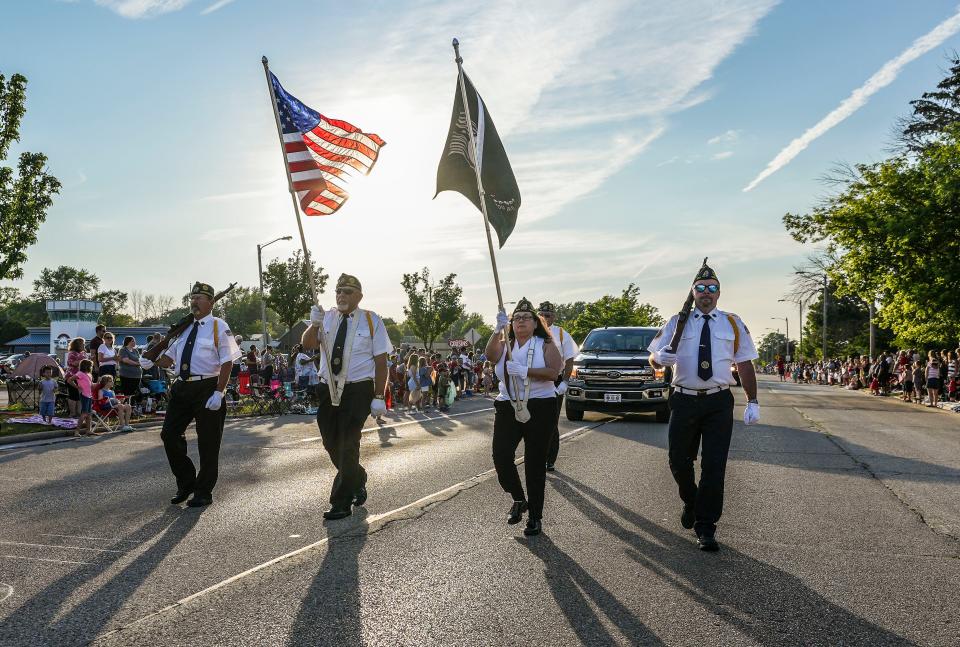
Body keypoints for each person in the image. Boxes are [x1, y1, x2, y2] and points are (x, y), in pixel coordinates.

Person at [648, 263, 759, 552]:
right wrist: (660, 359)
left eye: (711, 288)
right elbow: (653, 359)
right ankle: (690, 500)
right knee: (677, 460)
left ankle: (706, 526)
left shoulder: (732, 323)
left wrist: (753, 399)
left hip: (718, 400)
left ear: (719, 293)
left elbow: (744, 362)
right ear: (693, 292)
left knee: (714, 465)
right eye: (701, 288)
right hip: (683, 398)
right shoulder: (676, 321)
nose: (706, 293)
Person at [139, 282, 241, 507]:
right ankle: (186, 482)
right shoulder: (183, 329)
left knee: (208, 443)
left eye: (200, 297)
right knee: (169, 435)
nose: (194, 301)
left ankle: (203, 491)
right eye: (192, 297)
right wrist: (151, 360)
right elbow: (170, 358)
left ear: (211, 302)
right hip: (182, 387)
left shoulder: (218, 326)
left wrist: (219, 392)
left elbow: (227, 362)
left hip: (208, 386)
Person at [302, 273, 392, 520]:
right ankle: (357, 477)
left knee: (348, 443)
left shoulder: (371, 321)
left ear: (359, 296)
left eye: (348, 292)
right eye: (338, 291)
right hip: (328, 388)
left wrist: (378, 395)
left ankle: (341, 502)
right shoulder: (327, 317)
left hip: (357, 390)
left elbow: (381, 360)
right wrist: (314, 324)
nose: (341, 295)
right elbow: (308, 344)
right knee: (331, 442)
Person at [485, 298, 563, 537]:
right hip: (508, 404)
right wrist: (497, 329)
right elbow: (490, 356)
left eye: (526, 318)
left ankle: (536, 517)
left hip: (540, 406)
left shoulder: (545, 343)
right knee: (501, 455)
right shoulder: (505, 343)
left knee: (534, 463)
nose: (520, 321)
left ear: (536, 322)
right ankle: (519, 499)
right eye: (516, 318)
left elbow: (554, 372)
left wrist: (526, 371)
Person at [537, 301, 580, 472]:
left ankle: (549, 459)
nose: (545, 318)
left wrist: (565, 382)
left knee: (551, 422)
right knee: (534, 422)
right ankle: (537, 456)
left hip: (555, 381)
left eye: (548, 315)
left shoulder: (561, 334)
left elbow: (570, 360)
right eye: (542, 314)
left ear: (554, 316)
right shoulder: (533, 331)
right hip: (536, 380)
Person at [68, 359, 100, 436]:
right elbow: (70, 380)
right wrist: (77, 387)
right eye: (91, 366)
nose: (91, 367)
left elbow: (91, 386)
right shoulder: (80, 373)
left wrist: (98, 382)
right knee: (84, 414)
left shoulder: (89, 375)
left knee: (89, 414)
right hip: (84, 395)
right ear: (86, 366)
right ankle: (77, 431)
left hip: (89, 396)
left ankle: (88, 430)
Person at [64, 337, 88, 419]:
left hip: (80, 377)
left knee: (79, 396)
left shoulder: (83, 353)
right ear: (77, 344)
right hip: (71, 377)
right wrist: (83, 359)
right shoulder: (72, 353)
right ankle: (72, 413)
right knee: (73, 395)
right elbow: (73, 363)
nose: (84, 345)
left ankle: (78, 413)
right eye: (82, 343)